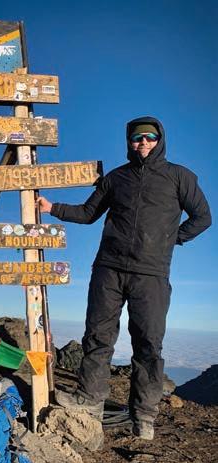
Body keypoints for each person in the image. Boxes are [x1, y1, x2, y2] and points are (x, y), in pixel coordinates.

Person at [36, 116, 211, 440]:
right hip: (109, 268)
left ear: (160, 140)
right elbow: (88, 213)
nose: (143, 142)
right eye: (137, 137)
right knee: (98, 336)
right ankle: (89, 401)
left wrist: (170, 239)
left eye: (150, 137)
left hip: (151, 274)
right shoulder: (117, 178)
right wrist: (52, 207)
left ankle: (143, 416)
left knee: (148, 343)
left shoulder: (179, 177)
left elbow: (203, 217)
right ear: (129, 142)